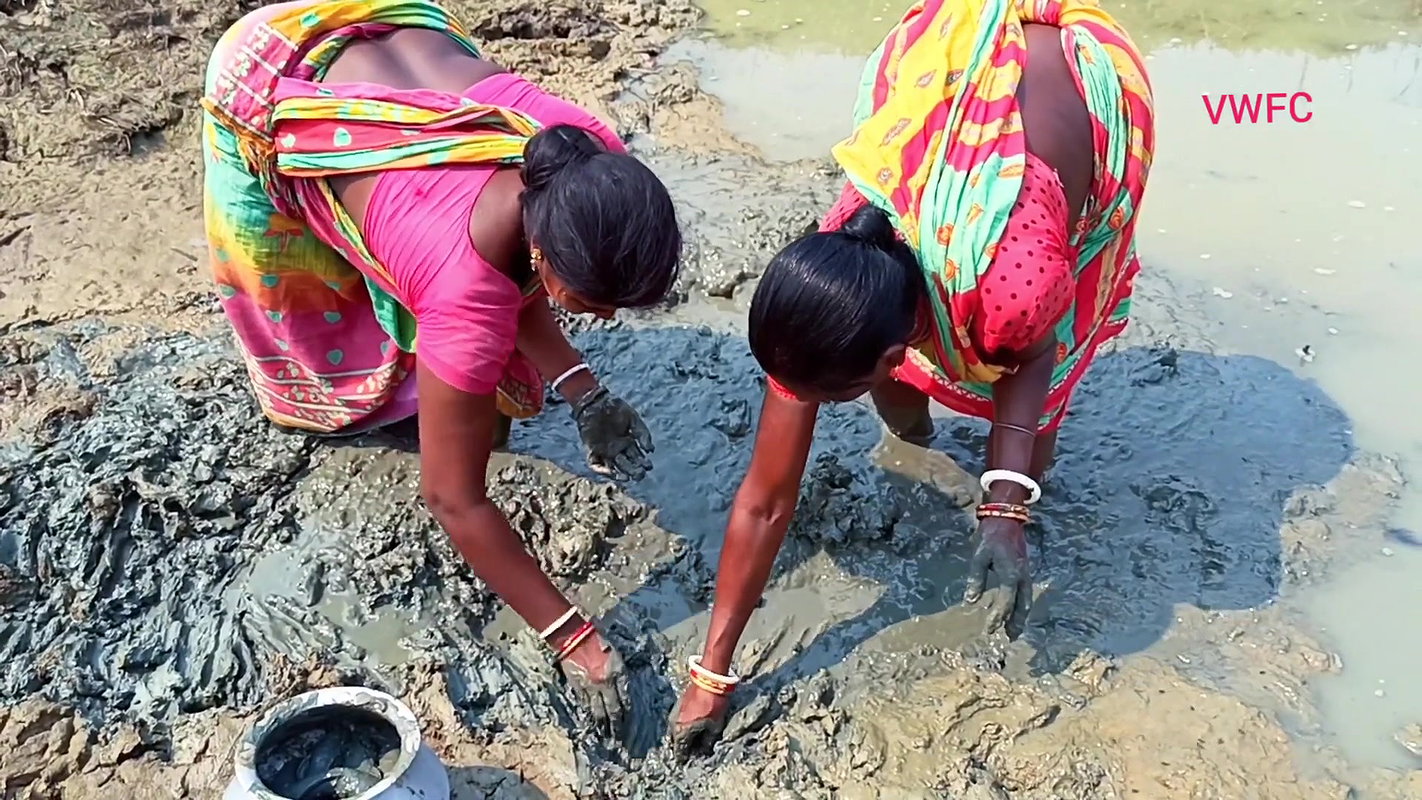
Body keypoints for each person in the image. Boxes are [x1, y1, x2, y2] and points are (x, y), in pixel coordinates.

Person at [670, 0, 1154, 751]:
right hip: (954, 84)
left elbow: (1036, 350)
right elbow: (764, 503)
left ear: (899, 353)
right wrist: (711, 678)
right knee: (916, 408)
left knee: (1032, 447)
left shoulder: (1014, 286)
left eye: (829, 395)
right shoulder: (835, 271)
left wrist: (1005, 507)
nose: (809, 405)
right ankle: (918, 432)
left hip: (1073, 101)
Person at [201, 0, 683, 736]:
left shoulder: (584, 154)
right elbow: (454, 500)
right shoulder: (462, 293)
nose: (606, 321)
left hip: (388, 24)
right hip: (265, 77)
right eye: (594, 301)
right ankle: (339, 399)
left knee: (448, 310)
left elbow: (518, 271)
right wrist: (576, 640)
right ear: (545, 254)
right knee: (310, 298)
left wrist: (582, 390)